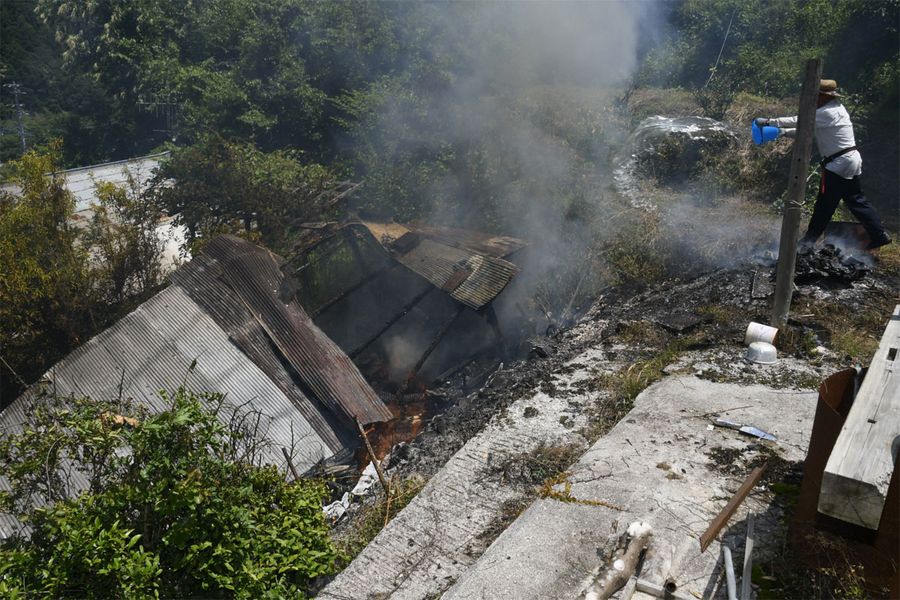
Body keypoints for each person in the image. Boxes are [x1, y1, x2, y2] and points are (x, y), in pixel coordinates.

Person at [757, 79, 891, 250]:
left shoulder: (827, 112)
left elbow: (801, 120)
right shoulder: (836, 109)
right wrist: (782, 132)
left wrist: (769, 121)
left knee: (824, 206)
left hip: (838, 165)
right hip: (850, 160)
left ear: (824, 96)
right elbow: (808, 130)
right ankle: (879, 234)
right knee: (857, 201)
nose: (814, 99)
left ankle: (807, 242)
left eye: (816, 95)